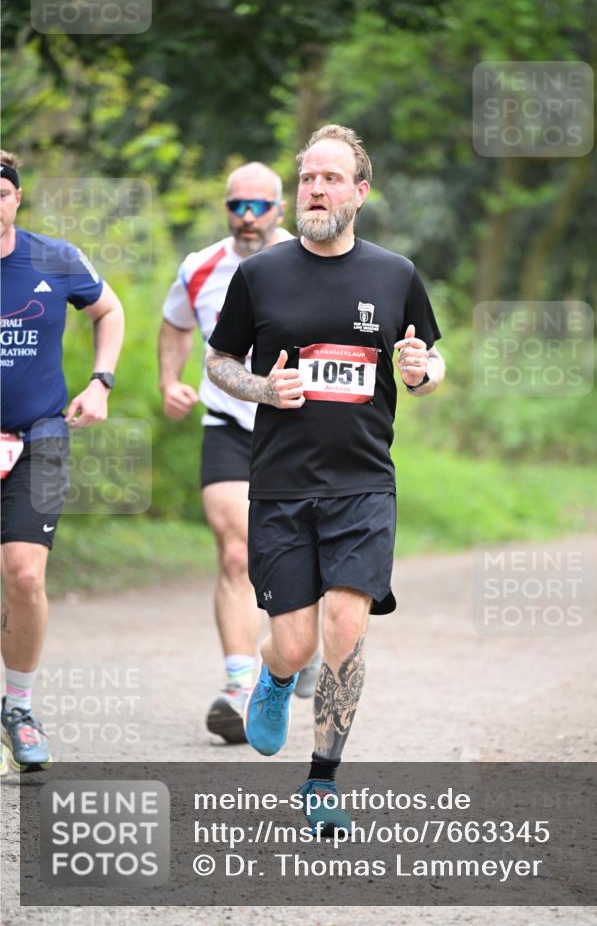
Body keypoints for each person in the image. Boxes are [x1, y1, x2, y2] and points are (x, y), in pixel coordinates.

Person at [205, 125, 445, 832]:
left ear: (360, 192)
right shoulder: (261, 275)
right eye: (307, 177)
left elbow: (430, 361)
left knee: (345, 624)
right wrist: (259, 389)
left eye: (331, 178)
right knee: (296, 643)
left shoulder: (394, 274)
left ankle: (322, 780)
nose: (315, 189)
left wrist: (419, 372)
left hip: (363, 483)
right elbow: (218, 361)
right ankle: (275, 678)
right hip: (279, 484)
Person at [158, 162, 320, 746]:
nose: (247, 217)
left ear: (280, 209)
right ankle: (239, 683)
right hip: (228, 424)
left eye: (260, 207)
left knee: (304, 551)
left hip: (299, 430)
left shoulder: (308, 262)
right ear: (226, 207)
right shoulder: (200, 267)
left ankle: (296, 645)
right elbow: (175, 324)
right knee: (236, 551)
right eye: (237, 206)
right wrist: (168, 379)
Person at [1, 150, 124, 772]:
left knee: (24, 575)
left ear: (16, 198)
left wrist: (101, 381)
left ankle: (18, 709)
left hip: (40, 435)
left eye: (0, 192)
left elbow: (109, 310)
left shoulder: (55, 257)